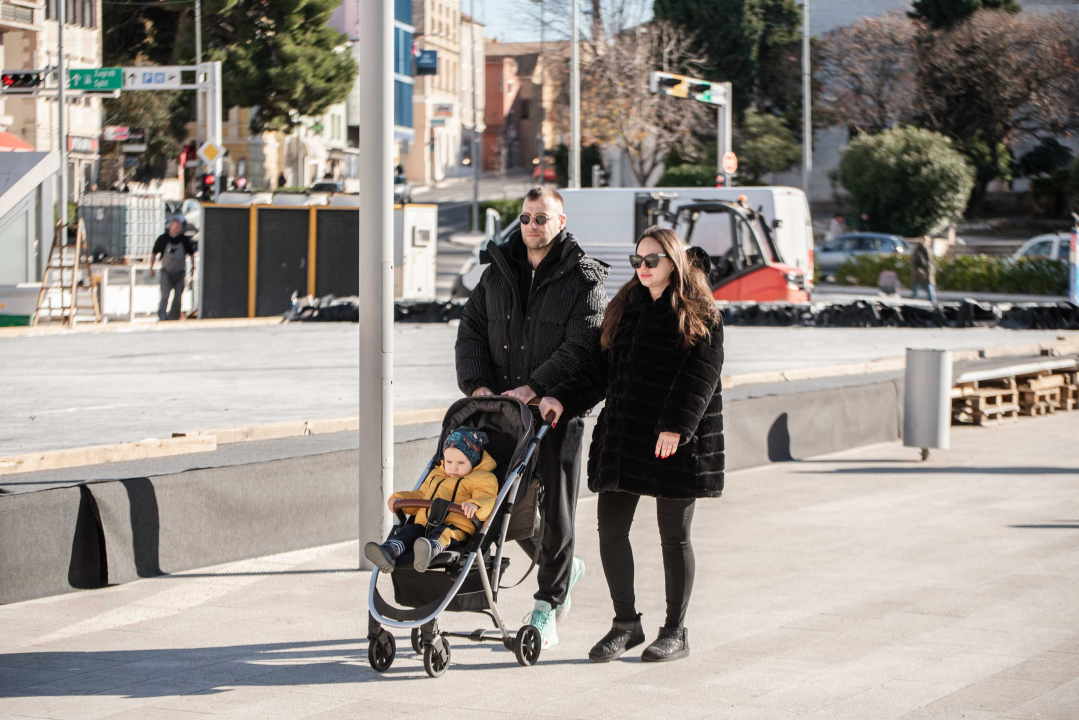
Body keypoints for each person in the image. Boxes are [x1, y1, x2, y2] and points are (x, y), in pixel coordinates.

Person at [539, 228, 725, 664]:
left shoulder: (700, 311)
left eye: (651, 260)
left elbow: (702, 373)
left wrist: (677, 426)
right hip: (624, 437)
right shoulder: (624, 308)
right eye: (636, 260)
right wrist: (561, 398)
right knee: (611, 531)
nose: (642, 268)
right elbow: (599, 372)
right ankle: (626, 623)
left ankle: (675, 630)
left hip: (674, 443)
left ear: (674, 261)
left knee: (673, 537)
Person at [456, 186, 609, 649]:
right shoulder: (498, 272)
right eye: (525, 219)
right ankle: (561, 564)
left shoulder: (583, 278)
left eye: (541, 219)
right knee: (500, 502)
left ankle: (547, 608)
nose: (531, 227)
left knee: (557, 513)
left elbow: (582, 344)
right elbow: (471, 331)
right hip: (503, 412)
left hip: (555, 411)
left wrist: (536, 387)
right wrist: (479, 387)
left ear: (561, 222)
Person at [365, 427, 498, 574]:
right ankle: (390, 551)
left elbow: (487, 498)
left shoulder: (483, 478)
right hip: (424, 524)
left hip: (457, 526)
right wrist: (400, 499)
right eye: (449, 461)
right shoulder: (436, 474)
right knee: (408, 531)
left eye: (461, 463)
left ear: (473, 461)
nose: (454, 467)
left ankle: (430, 551)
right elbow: (421, 495)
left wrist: (475, 505)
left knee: (444, 532)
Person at [149, 219, 195, 321]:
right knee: (165, 295)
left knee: (178, 297)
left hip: (179, 273)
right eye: (176, 227)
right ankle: (162, 316)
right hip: (166, 273)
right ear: (171, 227)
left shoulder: (184, 240)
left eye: (179, 228)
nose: (178, 229)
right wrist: (151, 267)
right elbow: (154, 253)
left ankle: (174, 317)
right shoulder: (163, 239)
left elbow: (191, 254)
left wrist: (193, 267)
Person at [910, 235, 938, 307]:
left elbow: (931, 264)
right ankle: (910, 308)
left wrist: (931, 272)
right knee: (915, 294)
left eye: (928, 241)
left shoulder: (929, 250)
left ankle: (935, 309)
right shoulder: (918, 251)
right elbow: (915, 264)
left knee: (932, 295)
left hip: (928, 277)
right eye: (925, 241)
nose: (927, 242)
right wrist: (921, 272)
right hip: (919, 277)